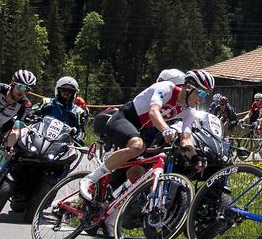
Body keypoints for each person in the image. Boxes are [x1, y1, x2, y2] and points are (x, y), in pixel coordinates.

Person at [78, 68, 215, 202]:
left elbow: (185, 140)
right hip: (124, 118)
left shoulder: (189, 112)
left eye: (206, 96)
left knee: (138, 175)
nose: (202, 100)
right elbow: (153, 112)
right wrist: (166, 129)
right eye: (202, 94)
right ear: (188, 87)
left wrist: (196, 158)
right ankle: (90, 179)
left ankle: (110, 215)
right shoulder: (167, 88)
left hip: (140, 131)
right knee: (137, 145)